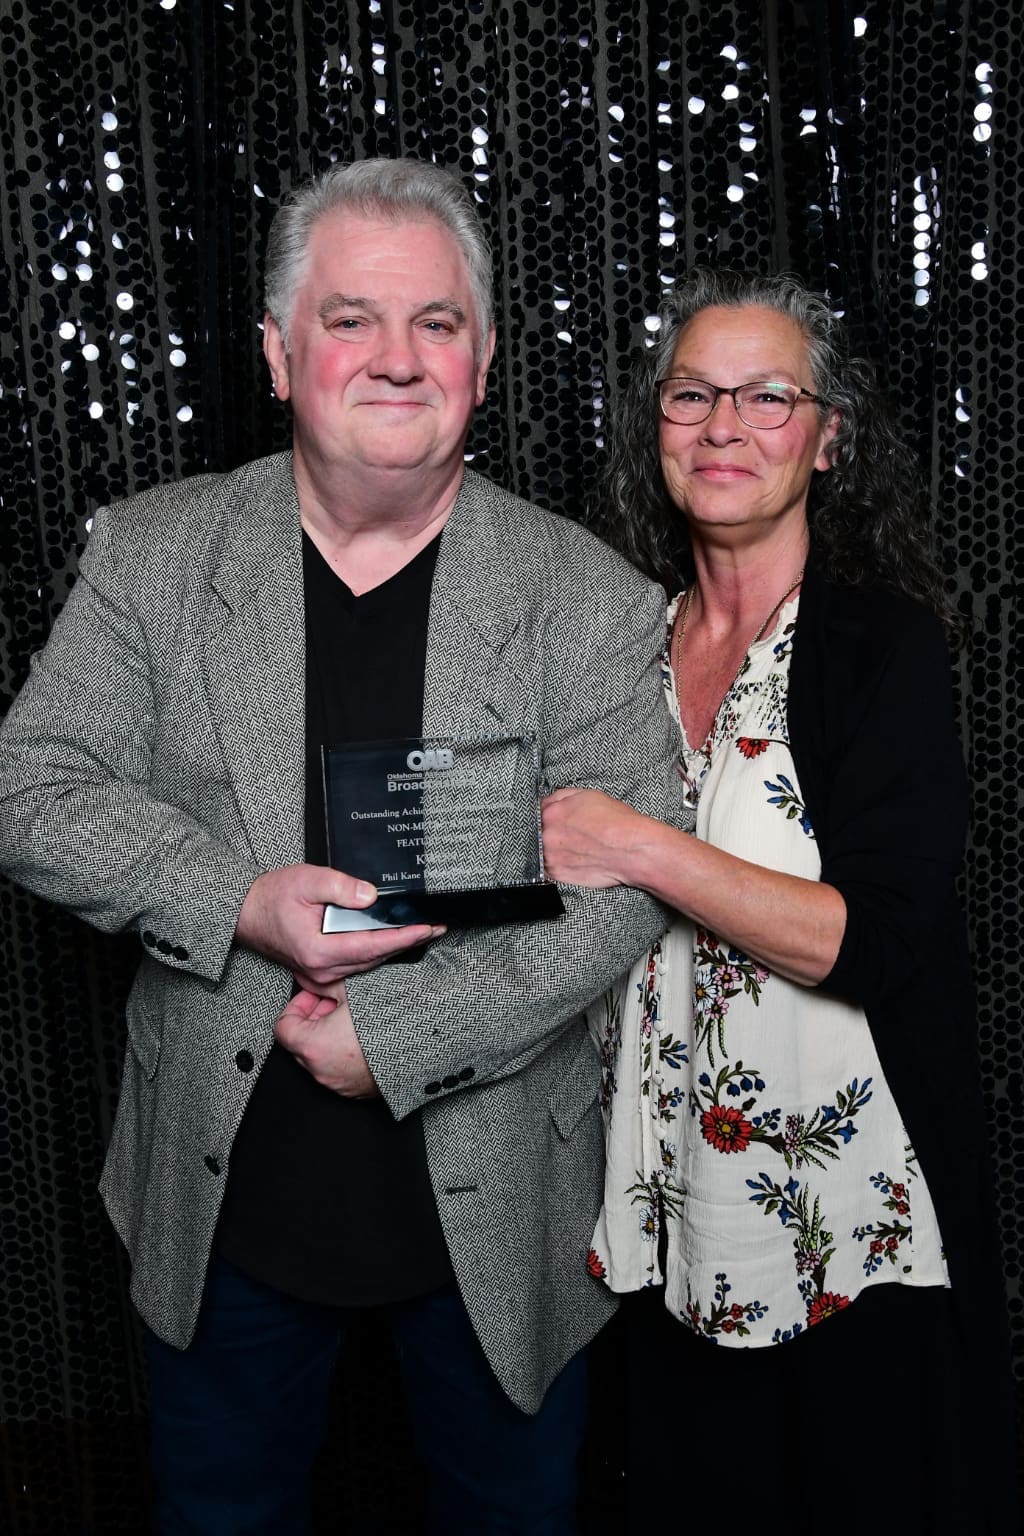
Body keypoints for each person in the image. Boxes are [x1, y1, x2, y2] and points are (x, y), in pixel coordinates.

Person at [0, 159, 687, 1535]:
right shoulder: (156, 556)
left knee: (510, 1514)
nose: (396, 358)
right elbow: (31, 786)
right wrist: (242, 901)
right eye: (350, 318)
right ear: (277, 352)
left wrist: (401, 1033)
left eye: (436, 322)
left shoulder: (589, 598)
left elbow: (631, 883)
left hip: (499, 1195)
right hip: (226, 1189)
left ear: (482, 360)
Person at [541, 267, 1018, 1531]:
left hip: (846, 1219)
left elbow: (873, 941)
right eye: (691, 395)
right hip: (666, 1205)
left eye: (766, 397)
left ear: (826, 439)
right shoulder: (612, 649)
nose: (723, 427)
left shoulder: (879, 648)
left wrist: (641, 847)